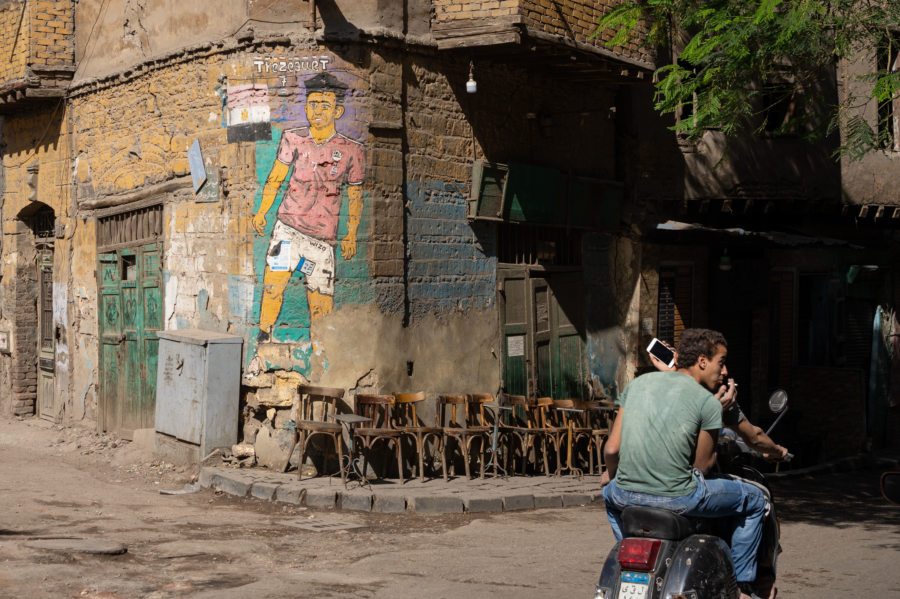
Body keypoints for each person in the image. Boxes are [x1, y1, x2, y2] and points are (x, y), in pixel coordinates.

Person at [601, 328, 769, 599]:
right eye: (721, 362)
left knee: (609, 496)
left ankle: (629, 553)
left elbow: (611, 448)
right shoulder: (708, 402)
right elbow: (702, 467)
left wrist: (611, 476)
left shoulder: (636, 386)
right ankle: (741, 587)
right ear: (702, 361)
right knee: (756, 499)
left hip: (625, 495)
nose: (723, 371)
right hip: (679, 498)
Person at [251, 70, 365, 342]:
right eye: (313, 104)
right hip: (287, 234)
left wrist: (351, 234)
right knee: (272, 289)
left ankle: (319, 364)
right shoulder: (293, 139)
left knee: (320, 305)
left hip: (321, 242)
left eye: (325, 105)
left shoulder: (352, 151)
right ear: (305, 107)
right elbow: (276, 178)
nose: (317, 111)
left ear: (337, 111)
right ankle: (263, 344)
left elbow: (356, 197)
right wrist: (262, 211)